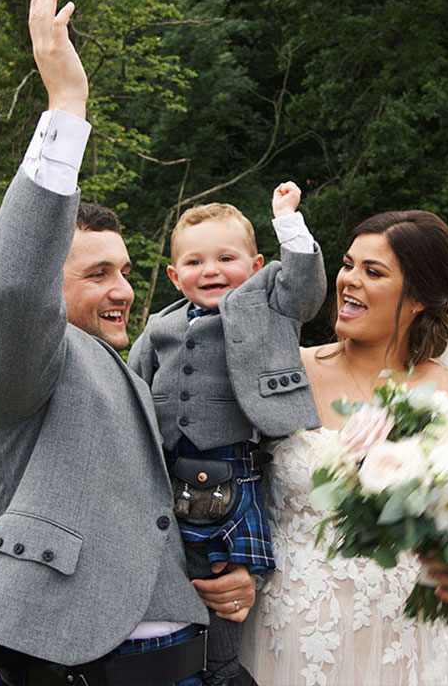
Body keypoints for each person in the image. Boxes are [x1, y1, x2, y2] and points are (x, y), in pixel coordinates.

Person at [0, 0, 255, 686]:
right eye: (96, 275)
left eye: (123, 271)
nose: (123, 290)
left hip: (177, 658)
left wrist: (221, 575)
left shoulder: (129, 364)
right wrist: (65, 109)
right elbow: (13, 289)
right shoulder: (16, 364)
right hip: (54, 662)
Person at [238, 210, 448, 686]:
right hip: (286, 631)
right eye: (349, 265)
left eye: (373, 272)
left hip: (399, 637)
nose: (349, 281)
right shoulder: (286, 373)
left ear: (417, 299)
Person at [127, 189, 326, 686]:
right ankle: (178, 664)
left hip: (235, 474)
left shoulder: (270, 306)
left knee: (225, 576)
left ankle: (222, 672)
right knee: (180, 571)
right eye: (194, 261)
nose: (211, 270)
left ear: (257, 264)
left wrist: (288, 221)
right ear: (174, 275)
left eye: (226, 258)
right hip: (170, 476)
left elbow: (305, 286)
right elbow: (131, 388)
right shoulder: (159, 326)